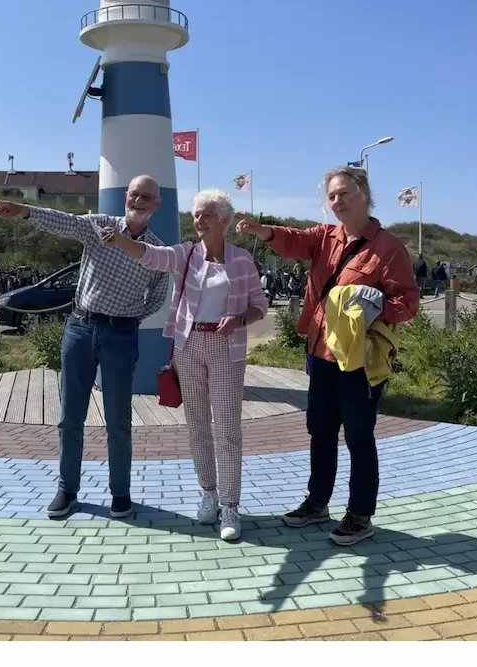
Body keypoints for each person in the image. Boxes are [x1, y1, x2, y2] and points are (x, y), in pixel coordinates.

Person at [236, 165, 419, 545]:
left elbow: (408, 302)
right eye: (332, 195)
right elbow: (294, 240)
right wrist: (262, 231)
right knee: (320, 430)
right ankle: (317, 503)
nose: (337, 201)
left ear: (364, 194)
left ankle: (360, 514)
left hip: (360, 360)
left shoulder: (388, 248)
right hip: (321, 352)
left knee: (358, 436)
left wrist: (379, 306)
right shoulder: (325, 237)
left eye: (344, 194)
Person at [0, 175, 171, 520]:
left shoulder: (157, 252)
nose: (140, 200)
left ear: (157, 204)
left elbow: (158, 298)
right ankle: (67, 490)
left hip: (121, 336)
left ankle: (120, 493)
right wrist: (26, 211)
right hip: (80, 328)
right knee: (70, 417)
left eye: (148, 196)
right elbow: (66, 222)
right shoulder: (99, 227)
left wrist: (127, 317)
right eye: (135, 193)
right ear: (126, 196)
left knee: (118, 420)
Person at [102, 189, 268, 541]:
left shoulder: (241, 261)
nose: (199, 220)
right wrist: (119, 241)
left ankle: (231, 507)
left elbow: (259, 305)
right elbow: (150, 256)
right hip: (187, 346)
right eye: (195, 214)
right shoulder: (185, 254)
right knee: (197, 426)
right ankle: (208, 493)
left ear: (223, 219)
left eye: (206, 214)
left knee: (227, 430)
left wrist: (239, 318)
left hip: (226, 348)